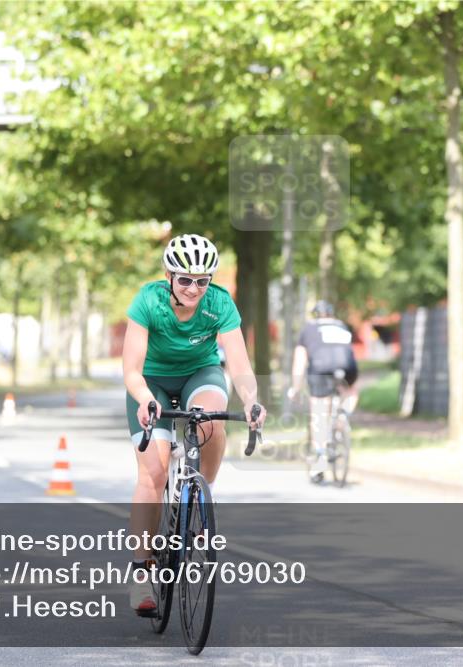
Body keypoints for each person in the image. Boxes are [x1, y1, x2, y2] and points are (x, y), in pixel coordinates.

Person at [123, 233, 266, 614]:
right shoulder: (148, 301)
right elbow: (131, 369)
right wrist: (145, 399)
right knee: (152, 475)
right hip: (150, 382)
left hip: (199, 373)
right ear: (168, 275)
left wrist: (251, 401)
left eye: (202, 281)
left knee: (211, 421)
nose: (193, 288)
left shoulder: (219, 303)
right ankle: (141, 570)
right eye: (185, 279)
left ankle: (206, 489)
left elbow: (238, 363)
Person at [288, 300, 358, 483]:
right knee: (351, 391)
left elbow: (300, 360)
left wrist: (295, 388)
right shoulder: (342, 326)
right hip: (347, 369)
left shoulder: (309, 329)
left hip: (321, 370)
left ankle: (319, 461)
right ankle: (344, 415)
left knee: (319, 413)